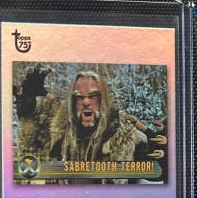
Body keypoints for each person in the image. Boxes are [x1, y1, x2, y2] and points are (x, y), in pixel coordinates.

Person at [14, 66, 167, 180]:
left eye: (93, 96)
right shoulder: (57, 134)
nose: (86, 102)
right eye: (79, 97)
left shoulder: (124, 135)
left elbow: (157, 173)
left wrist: (163, 160)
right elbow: (27, 157)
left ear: (103, 100)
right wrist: (27, 114)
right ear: (73, 103)